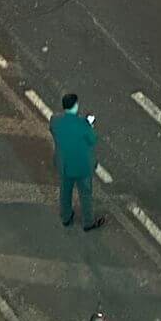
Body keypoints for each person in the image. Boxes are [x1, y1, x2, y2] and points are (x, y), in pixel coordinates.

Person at [49, 93, 104, 231]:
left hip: (64, 165)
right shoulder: (83, 125)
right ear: (75, 105)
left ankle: (66, 217)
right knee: (85, 194)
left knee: (65, 192)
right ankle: (88, 222)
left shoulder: (55, 120)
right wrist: (89, 125)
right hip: (82, 167)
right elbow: (92, 140)